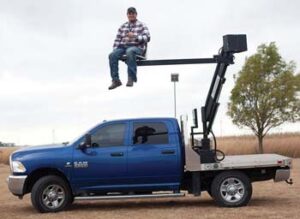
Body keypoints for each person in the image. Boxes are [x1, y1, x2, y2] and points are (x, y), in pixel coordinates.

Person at [108, 7, 150, 90]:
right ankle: (116, 80)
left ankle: (131, 78)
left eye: (133, 13)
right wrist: (115, 51)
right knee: (112, 55)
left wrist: (135, 36)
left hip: (137, 47)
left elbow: (147, 38)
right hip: (123, 47)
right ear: (127, 15)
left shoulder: (142, 25)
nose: (131, 15)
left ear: (136, 14)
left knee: (130, 51)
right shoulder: (123, 26)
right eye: (129, 13)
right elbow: (117, 40)